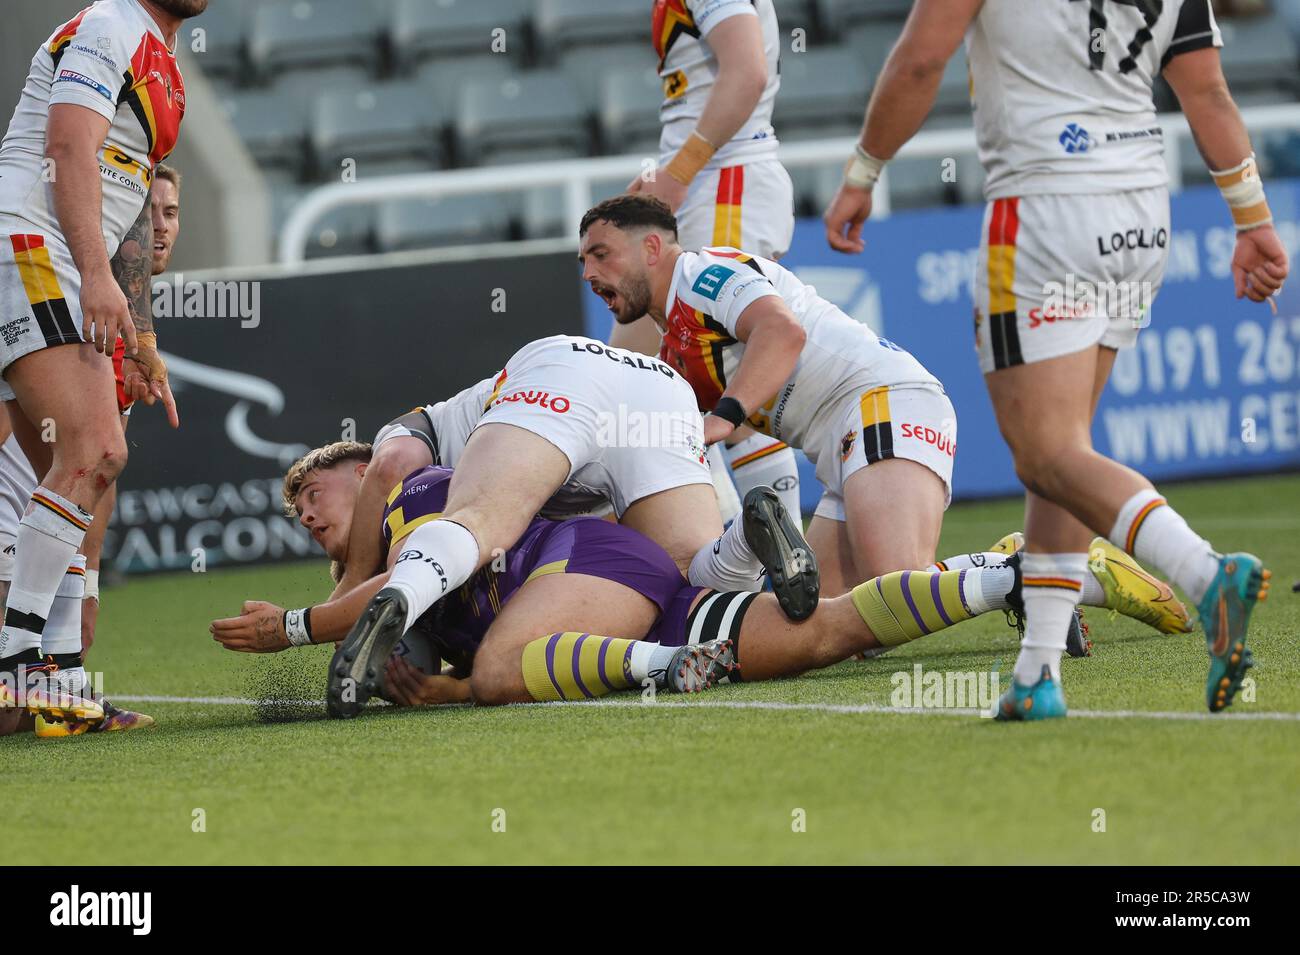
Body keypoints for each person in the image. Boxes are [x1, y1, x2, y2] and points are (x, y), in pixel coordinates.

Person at [823, 0, 1282, 718]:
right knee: (1065, 452)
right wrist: (1252, 221)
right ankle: (1038, 672)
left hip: (1045, 211)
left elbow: (919, 58)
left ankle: (1205, 573)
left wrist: (862, 171)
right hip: (1140, 213)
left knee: (1045, 456)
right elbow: (1208, 92)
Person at [211, 444, 1096, 710]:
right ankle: (1007, 576)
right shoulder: (398, 586)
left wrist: (291, 626)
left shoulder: (422, 489)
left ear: (367, 471)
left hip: (591, 563)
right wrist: (429, 689)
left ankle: (667, 669)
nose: (310, 511)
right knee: (829, 630)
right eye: (296, 510)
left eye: (316, 489)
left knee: (502, 665)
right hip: (633, 600)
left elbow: (407, 579)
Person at [0, 0, 198, 724]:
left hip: (51, 258)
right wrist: (93, 273)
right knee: (95, 448)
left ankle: (59, 683)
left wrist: (141, 337)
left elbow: (137, 206)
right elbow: (68, 146)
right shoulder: (111, 23)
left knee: (76, 471)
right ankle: (18, 662)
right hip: (30, 243)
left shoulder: (165, 61)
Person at [617, 0, 802, 524]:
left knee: (714, 385)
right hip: (715, 183)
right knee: (639, 383)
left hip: (725, 183)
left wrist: (676, 174)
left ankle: (772, 568)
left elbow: (747, 71)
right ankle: (737, 554)